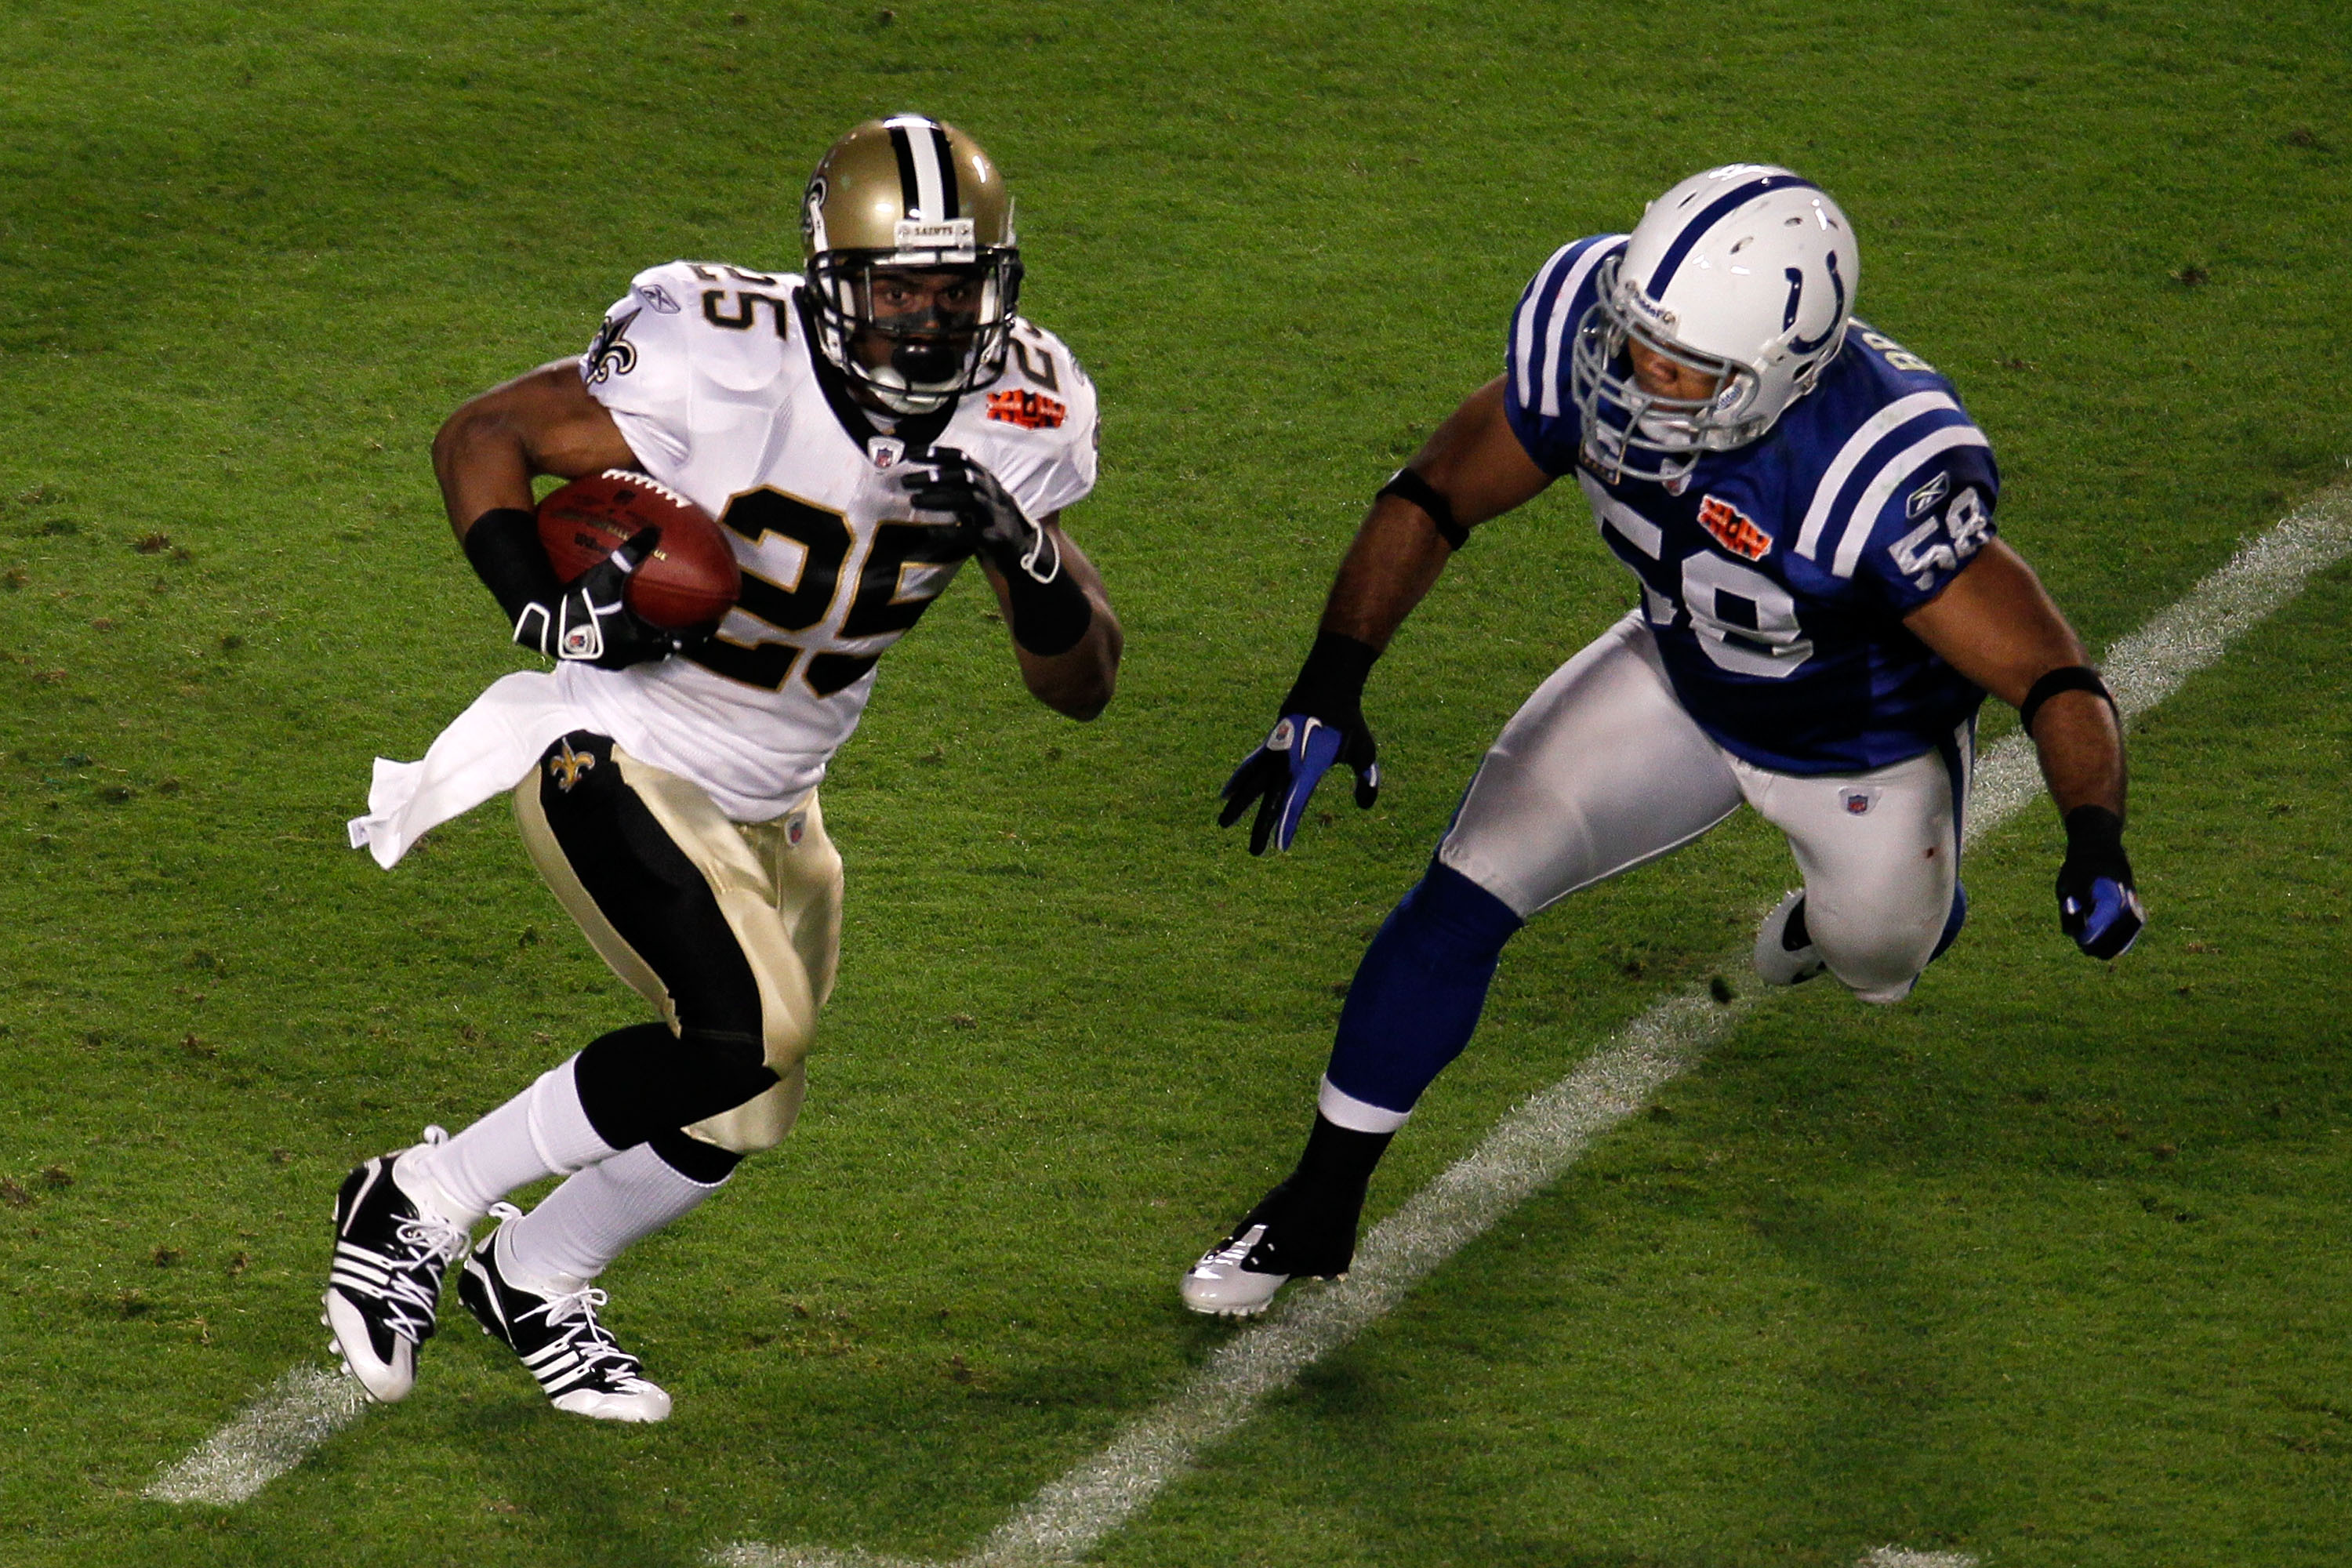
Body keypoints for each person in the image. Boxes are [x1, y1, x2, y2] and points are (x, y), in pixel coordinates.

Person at [1182, 164, 2142, 1317]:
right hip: (1678, 680)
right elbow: (1438, 492)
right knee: (1463, 891)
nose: (1638, 379)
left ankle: (1873, 918)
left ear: (1783, 371)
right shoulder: (1598, 331)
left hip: (1861, 756)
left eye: (1681, 366)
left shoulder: (1876, 469)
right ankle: (1317, 1204)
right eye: (1632, 341)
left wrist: (2094, 838)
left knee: (1879, 955)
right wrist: (1327, 686)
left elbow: (2051, 673)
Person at [327, 115, 1120, 1418]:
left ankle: (537, 1273)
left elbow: (1083, 683)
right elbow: (483, 434)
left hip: (777, 792)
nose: (928, 325)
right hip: (614, 745)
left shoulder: (1027, 405)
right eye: (898, 290)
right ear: (827, 280)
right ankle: (416, 1200)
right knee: (750, 1032)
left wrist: (1026, 555)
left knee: (741, 1106)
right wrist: (543, 604)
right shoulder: (717, 352)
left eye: (956, 287)